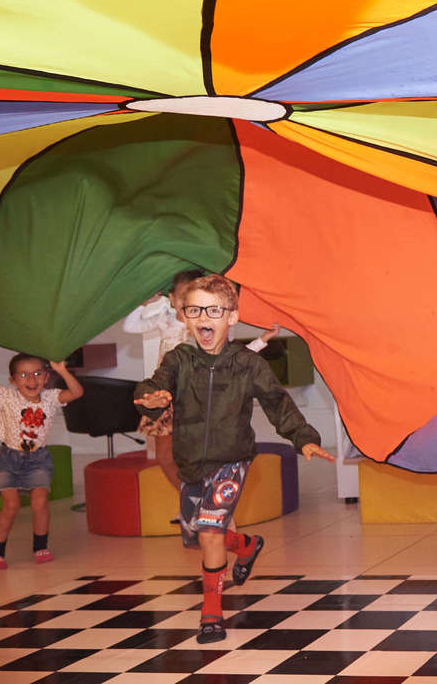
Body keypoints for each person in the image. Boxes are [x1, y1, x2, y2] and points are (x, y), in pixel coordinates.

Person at [134, 274, 333, 643]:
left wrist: (303, 439)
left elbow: (278, 404)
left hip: (233, 461)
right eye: (194, 310)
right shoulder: (179, 359)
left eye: (213, 310)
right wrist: (152, 394)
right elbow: (156, 380)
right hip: (191, 463)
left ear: (232, 317)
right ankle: (246, 546)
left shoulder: (247, 364)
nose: (203, 318)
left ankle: (211, 612)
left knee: (210, 531)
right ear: (184, 317)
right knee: (199, 534)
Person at [123, 269, 278, 493]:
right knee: (165, 457)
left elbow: (235, 356)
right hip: (166, 398)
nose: (188, 302)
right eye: (182, 296)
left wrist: (262, 340)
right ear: (172, 298)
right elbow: (130, 325)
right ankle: (190, 499)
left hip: (198, 398)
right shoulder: (163, 319)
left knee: (201, 455)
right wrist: (144, 303)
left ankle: (209, 502)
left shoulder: (209, 327)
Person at [0, 329, 84, 569]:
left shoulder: (50, 397)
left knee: (40, 503)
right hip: (7, 459)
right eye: (24, 375)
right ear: (13, 380)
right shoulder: (5, 396)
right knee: (11, 506)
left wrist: (62, 370)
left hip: (38, 459)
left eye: (38, 374)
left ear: (46, 377)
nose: (32, 380)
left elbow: (77, 392)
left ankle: (41, 546)